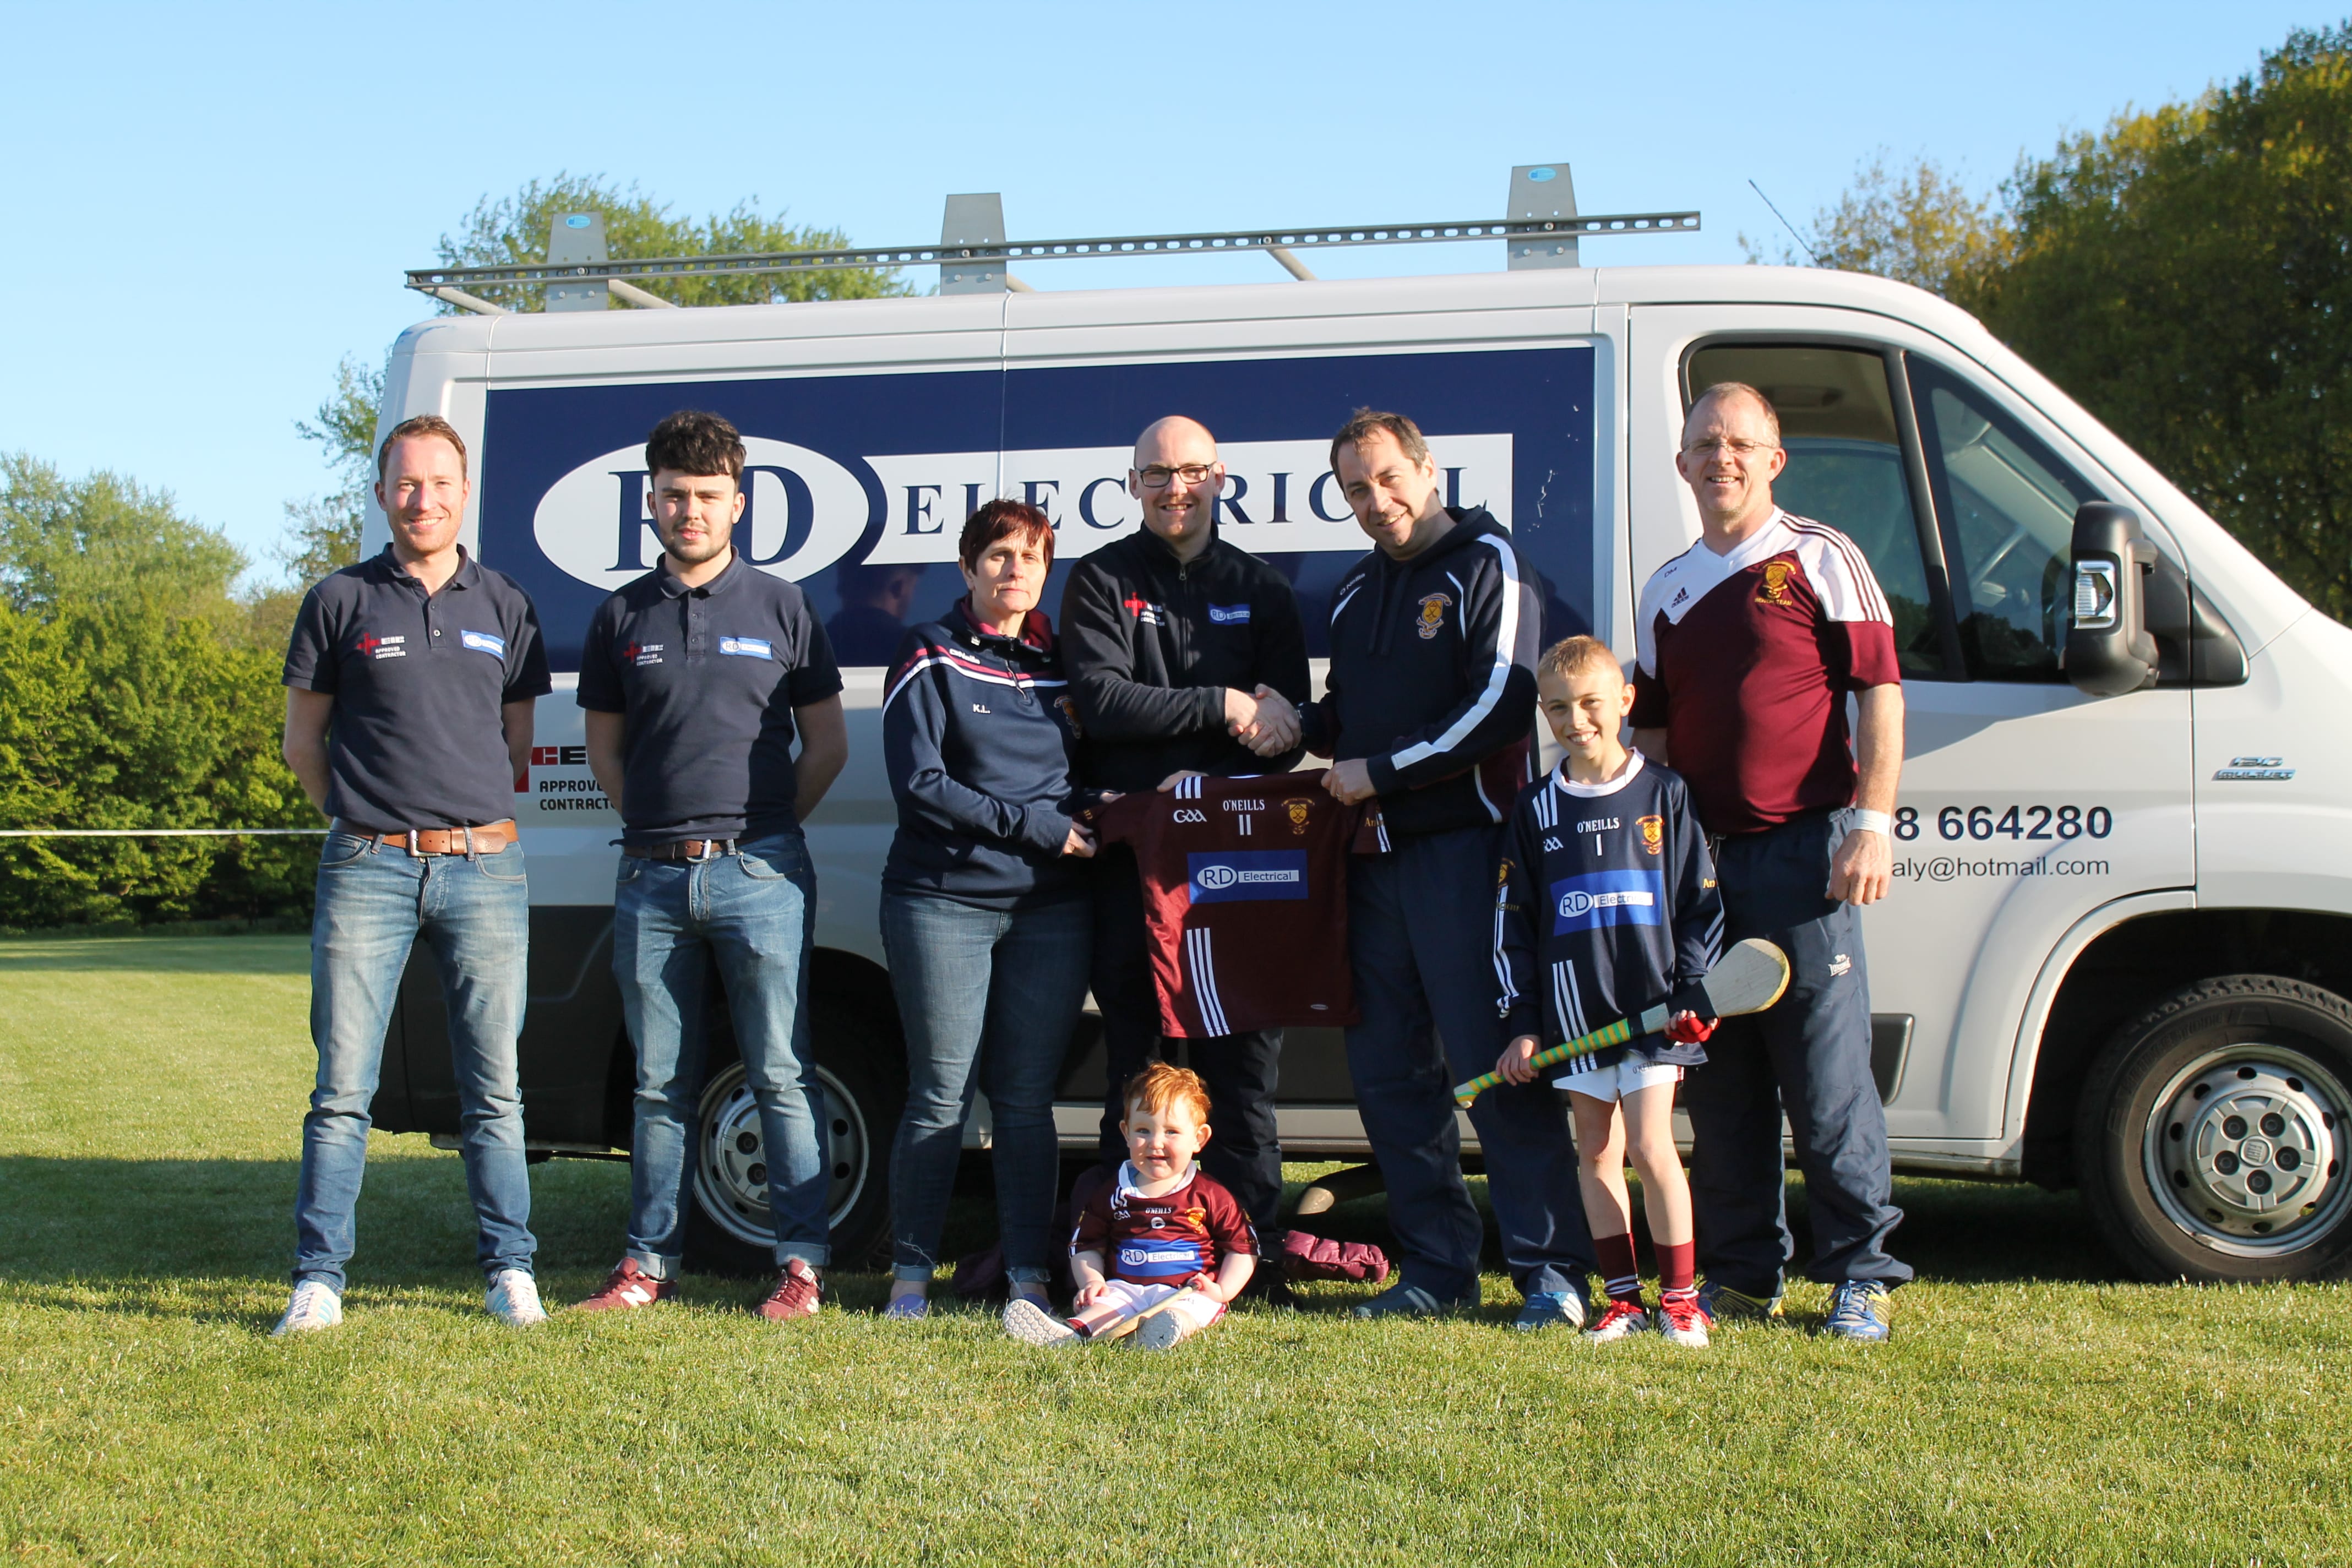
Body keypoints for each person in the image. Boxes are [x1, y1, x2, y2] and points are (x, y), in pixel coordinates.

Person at [1301, 408, 1596, 1325]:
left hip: (1468, 857)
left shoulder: (1488, 565)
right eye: (1356, 487)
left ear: (1427, 471)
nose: (1375, 500)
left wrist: (1377, 771)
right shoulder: (1353, 595)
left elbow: (1502, 708)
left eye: (1388, 478)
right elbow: (1343, 716)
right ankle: (1434, 1267)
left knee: (1493, 1065)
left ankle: (1550, 1272)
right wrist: (1280, 721)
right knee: (1391, 1073)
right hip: (1374, 864)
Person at [1630, 380, 1911, 1342]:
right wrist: (1654, 864)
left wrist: (1870, 822)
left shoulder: (1821, 558)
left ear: (1774, 458)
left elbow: (1879, 694)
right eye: (1705, 443)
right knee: (1724, 1088)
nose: (1723, 459)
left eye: (1741, 443)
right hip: (1701, 871)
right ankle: (1746, 1273)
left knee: (1827, 1085)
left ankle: (1861, 1275)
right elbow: (1656, 738)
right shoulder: (1664, 587)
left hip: (1807, 854)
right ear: (1682, 462)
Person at [275, 413, 552, 1335]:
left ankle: (510, 1269)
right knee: (342, 1087)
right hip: (367, 866)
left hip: (484, 866)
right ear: (381, 491)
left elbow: (517, 742)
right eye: (405, 482)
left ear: (464, 491)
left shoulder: (506, 603)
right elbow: (302, 742)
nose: (422, 498)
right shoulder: (338, 601)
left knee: (495, 1087)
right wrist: (361, 818)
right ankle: (319, 1279)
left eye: (439, 482)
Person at [573, 410, 848, 1321]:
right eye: (673, 495)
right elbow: (605, 754)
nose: (689, 510)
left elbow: (827, 745)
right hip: (650, 877)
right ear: (650, 501)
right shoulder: (621, 615)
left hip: (761, 872)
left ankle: (801, 1267)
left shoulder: (784, 605)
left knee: (780, 1071)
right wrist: (666, 833)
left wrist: (758, 836)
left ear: (739, 501)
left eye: (706, 495)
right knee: (659, 1082)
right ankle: (647, 1264)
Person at [1059, 415, 1310, 1295]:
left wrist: (1249, 716)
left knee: (1243, 1072)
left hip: (1239, 869)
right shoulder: (1099, 580)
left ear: (1221, 477)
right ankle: (1125, 1250)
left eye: (1193, 473)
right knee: (1140, 1060)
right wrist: (1224, 704)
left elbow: (1283, 728)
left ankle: (1252, 1257)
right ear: (1133, 484)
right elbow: (1102, 700)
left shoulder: (1263, 588)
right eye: (1158, 475)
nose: (1177, 489)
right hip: (1138, 866)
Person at [876, 499, 1104, 1321]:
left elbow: (1085, 771)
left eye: (1033, 558)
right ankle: (910, 1278)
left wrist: (1096, 808)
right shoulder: (929, 654)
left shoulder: (1060, 662)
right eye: (1000, 556)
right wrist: (1043, 827)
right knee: (940, 1095)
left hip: (1052, 909)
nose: (1016, 571)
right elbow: (924, 788)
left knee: (1024, 1101)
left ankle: (1028, 1278)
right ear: (969, 566)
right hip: (943, 902)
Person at [1492, 636, 1723, 1346]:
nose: (1576, 719)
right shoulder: (1534, 809)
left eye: (1592, 703)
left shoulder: (1665, 793)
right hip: (1572, 1013)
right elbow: (1514, 926)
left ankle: (1680, 1300)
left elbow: (1699, 905)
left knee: (1653, 1147)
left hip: (1653, 1012)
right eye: (1558, 707)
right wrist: (1525, 1021)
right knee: (1595, 1150)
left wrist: (1691, 991)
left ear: (1624, 701)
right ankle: (1621, 1299)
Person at [1004, 1062, 1257, 1351]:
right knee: (1107, 1304)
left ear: (1199, 1139)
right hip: (1126, 1287)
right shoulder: (1112, 1191)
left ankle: (1166, 1330)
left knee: (1187, 1311)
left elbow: (1243, 1248)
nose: (1156, 1143)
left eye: (1172, 1132)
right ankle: (1070, 1333)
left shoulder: (1211, 1194)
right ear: (1125, 1132)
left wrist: (1222, 1291)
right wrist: (1093, 1281)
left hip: (1187, 1290)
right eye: (1143, 1131)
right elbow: (1086, 1245)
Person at [825, 561, 926, 666]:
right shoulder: (915, 650)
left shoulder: (814, 646)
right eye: (913, 588)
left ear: (841, 587)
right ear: (899, 587)